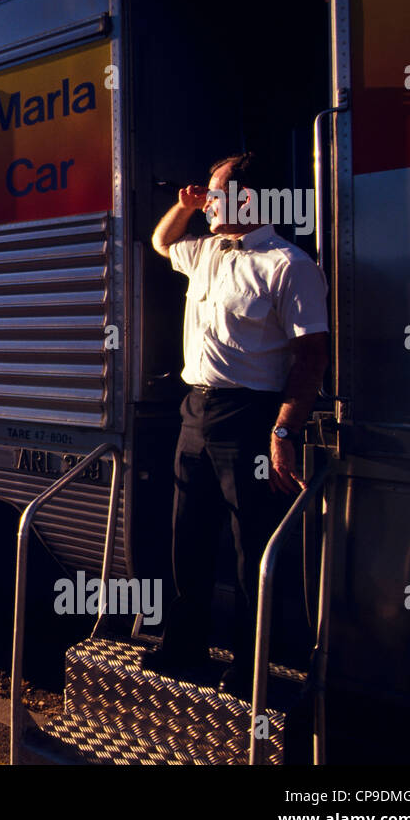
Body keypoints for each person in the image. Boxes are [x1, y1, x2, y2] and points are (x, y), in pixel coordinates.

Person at [147, 152, 330, 698]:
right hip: (195, 410)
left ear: (247, 199)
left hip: (250, 417)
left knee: (251, 544)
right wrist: (185, 206)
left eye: (215, 193)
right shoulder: (203, 250)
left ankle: (252, 666)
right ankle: (184, 647)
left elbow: (312, 357)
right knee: (188, 535)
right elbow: (160, 242)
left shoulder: (289, 265)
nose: (206, 204)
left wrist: (283, 432)